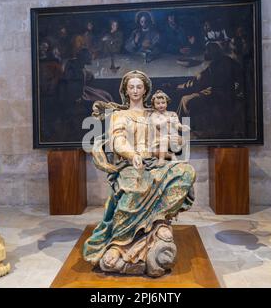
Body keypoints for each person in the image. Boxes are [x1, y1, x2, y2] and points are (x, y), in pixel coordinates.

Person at [83, 70, 196, 277]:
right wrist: (132, 154)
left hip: (157, 161)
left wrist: (175, 141)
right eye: (131, 87)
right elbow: (118, 141)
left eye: (139, 87)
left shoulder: (155, 114)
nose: (135, 90)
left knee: (185, 173)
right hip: (131, 164)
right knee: (135, 185)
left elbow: (171, 137)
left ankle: (159, 220)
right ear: (125, 90)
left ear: (145, 90)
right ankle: (119, 242)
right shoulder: (120, 115)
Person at [149, 90, 189, 166]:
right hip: (159, 141)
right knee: (160, 145)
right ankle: (164, 158)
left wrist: (182, 127)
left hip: (173, 138)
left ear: (167, 103)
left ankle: (184, 159)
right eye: (158, 103)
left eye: (163, 103)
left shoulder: (172, 114)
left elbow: (177, 124)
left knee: (184, 140)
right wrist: (167, 120)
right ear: (154, 105)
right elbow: (157, 124)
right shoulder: (154, 115)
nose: (161, 105)